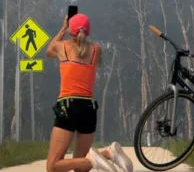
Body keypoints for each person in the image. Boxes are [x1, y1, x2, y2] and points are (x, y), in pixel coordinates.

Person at [45, 13, 133, 172]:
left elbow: (49, 51)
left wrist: (63, 28)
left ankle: (93, 160)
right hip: (89, 108)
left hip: (68, 106)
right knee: (79, 166)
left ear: (71, 30)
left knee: (53, 166)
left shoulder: (63, 47)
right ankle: (108, 153)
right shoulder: (96, 50)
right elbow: (94, 62)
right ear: (88, 31)